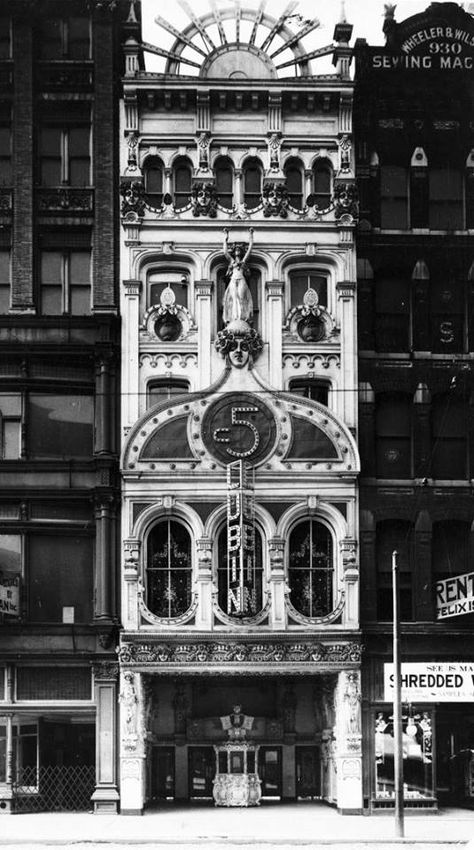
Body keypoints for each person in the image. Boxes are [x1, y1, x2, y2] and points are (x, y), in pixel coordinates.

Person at [222, 228, 254, 324]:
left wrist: (251, 235)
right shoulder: (232, 261)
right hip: (233, 280)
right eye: (236, 249)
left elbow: (250, 249)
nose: (237, 250)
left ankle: (242, 318)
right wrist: (225, 238)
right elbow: (225, 252)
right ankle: (234, 318)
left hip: (241, 280)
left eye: (239, 249)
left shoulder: (243, 261)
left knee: (241, 297)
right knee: (234, 298)